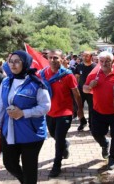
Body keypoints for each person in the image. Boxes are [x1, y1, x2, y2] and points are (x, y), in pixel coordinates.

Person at [0, 50, 50, 184]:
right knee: (9, 164)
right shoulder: (6, 82)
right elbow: (0, 105)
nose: (13, 65)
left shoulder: (37, 83)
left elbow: (45, 107)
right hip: (10, 131)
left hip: (31, 133)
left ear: (25, 63)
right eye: (11, 61)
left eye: (17, 61)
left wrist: (24, 113)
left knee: (29, 169)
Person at [39, 49, 84, 178]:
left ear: (62, 59)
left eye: (56, 58)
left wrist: (80, 110)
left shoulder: (67, 75)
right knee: (54, 135)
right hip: (49, 111)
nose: (53, 60)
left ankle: (56, 165)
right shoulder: (42, 74)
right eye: (51, 58)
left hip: (65, 112)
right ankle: (65, 144)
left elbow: (77, 94)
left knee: (58, 140)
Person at [83, 51, 114, 170]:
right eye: (101, 61)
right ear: (98, 62)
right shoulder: (93, 75)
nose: (104, 63)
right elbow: (85, 89)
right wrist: (90, 86)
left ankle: (113, 158)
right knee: (96, 133)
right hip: (98, 111)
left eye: (107, 61)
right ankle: (104, 144)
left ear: (112, 62)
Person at [73, 51, 96, 131]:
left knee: (92, 108)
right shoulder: (79, 66)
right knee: (78, 107)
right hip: (80, 90)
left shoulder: (95, 66)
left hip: (91, 91)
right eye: (83, 56)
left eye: (86, 56)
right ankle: (82, 122)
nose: (84, 57)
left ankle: (91, 124)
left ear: (91, 56)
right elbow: (76, 78)